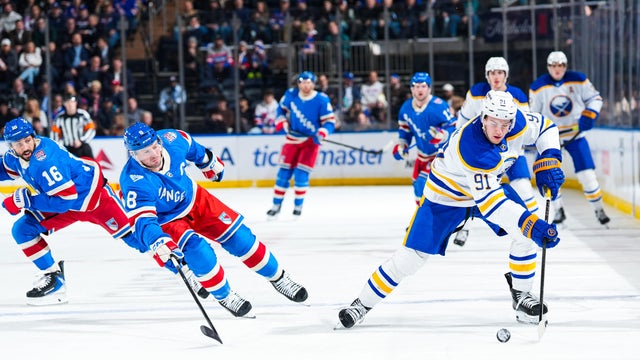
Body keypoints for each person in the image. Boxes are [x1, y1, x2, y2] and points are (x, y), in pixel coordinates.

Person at [337, 91, 565, 329]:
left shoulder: (517, 121)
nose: (499, 130)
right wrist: (533, 225)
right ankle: (361, 305)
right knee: (411, 258)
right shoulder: (472, 146)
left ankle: (522, 296)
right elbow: (493, 204)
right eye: (494, 123)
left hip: (486, 190)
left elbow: (547, 128)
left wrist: (549, 157)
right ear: (483, 117)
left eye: (505, 124)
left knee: (524, 236)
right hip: (445, 198)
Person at [119, 122, 308, 317]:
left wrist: (208, 162)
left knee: (241, 238)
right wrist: (158, 241)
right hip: (166, 219)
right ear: (133, 155)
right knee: (199, 251)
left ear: (159, 140)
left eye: (154, 146)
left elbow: (194, 148)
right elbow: (143, 221)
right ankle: (225, 296)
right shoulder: (133, 181)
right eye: (144, 152)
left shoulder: (172, 139)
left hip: (195, 199)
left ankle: (279, 278)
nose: (153, 154)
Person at [0, 117, 132, 305]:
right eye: (19, 144)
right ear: (11, 147)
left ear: (33, 136)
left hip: (94, 199)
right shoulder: (16, 157)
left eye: (27, 140)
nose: (25, 147)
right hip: (68, 203)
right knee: (22, 230)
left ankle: (179, 250)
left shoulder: (45, 161)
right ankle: (54, 279)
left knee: (135, 237)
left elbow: (64, 200)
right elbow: (4, 168)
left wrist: (25, 200)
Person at [453, 56, 537, 247]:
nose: (495, 77)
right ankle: (465, 228)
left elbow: (525, 127)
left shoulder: (518, 96)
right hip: (482, 154)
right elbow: (462, 122)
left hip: (512, 154)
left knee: (524, 187)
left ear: (506, 75)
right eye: (492, 73)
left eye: (499, 72)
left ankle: (534, 224)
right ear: (487, 75)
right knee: (472, 191)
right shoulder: (476, 93)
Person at [529, 51, 610, 227]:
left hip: (576, 136)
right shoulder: (538, 87)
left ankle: (599, 209)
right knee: (549, 176)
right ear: (548, 67)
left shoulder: (578, 79)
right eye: (553, 66)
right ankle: (558, 209)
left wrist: (590, 114)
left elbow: (595, 98)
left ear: (565, 66)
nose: (557, 69)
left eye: (560, 66)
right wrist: (535, 135)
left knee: (587, 176)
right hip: (551, 140)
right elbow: (533, 115)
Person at [266, 71, 336, 218]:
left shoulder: (321, 99)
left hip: (311, 142)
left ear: (313, 83)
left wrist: (322, 132)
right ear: (298, 83)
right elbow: (280, 110)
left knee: (301, 174)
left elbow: (330, 122)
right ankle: (276, 205)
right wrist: (281, 121)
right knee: (283, 174)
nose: (305, 85)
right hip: (292, 139)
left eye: (309, 82)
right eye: (303, 82)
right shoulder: (291, 94)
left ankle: (298, 207)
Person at [392, 72, 456, 204]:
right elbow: (405, 131)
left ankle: (429, 222)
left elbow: (454, 127)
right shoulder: (406, 108)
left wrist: (442, 135)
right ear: (411, 88)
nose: (420, 89)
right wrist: (402, 145)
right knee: (417, 187)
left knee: (422, 183)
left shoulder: (439, 105)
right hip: (422, 156)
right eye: (416, 86)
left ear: (429, 88)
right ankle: (421, 221)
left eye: (423, 86)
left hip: (440, 156)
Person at [49, 94, 96, 158]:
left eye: (72, 102)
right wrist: (60, 145)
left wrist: (81, 140)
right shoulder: (59, 117)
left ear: (75, 103)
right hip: (67, 149)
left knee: (91, 162)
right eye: (68, 103)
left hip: (82, 146)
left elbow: (91, 129)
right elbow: (54, 134)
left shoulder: (83, 114)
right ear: (64, 104)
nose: (70, 105)